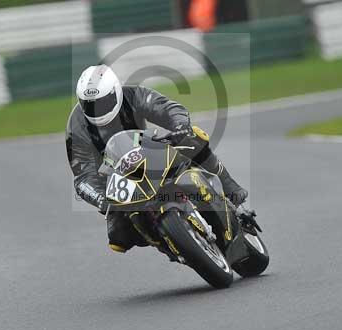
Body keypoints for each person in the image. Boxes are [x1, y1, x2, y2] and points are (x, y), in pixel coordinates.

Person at [65, 64, 250, 253]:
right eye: (89, 105)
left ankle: (232, 192)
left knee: (194, 137)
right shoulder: (76, 127)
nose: (96, 110)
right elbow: (83, 177)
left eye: (102, 103)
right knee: (118, 239)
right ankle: (169, 244)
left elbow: (166, 108)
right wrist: (103, 200)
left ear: (115, 92)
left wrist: (180, 126)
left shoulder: (134, 95)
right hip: (116, 178)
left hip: (149, 150)